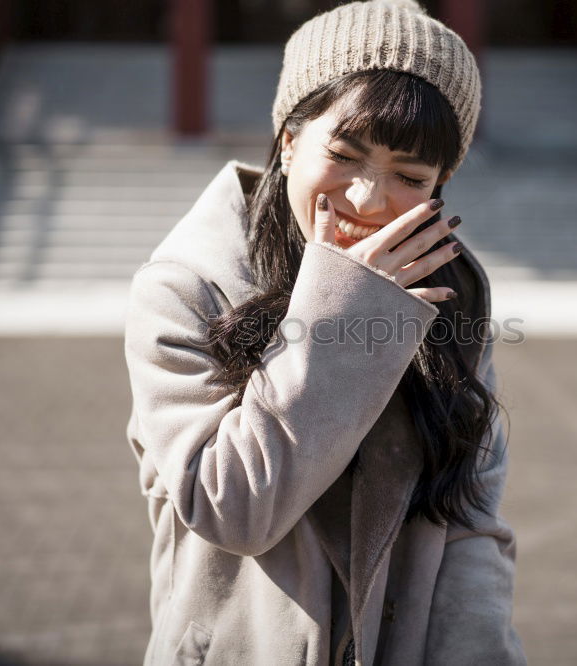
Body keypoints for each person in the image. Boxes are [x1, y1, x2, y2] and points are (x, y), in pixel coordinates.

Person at [122, 1, 527, 664]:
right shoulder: (185, 288)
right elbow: (232, 509)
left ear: (441, 185)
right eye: (344, 154)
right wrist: (347, 314)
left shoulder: (453, 299)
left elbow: (471, 520)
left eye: (411, 176)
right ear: (288, 138)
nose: (369, 199)